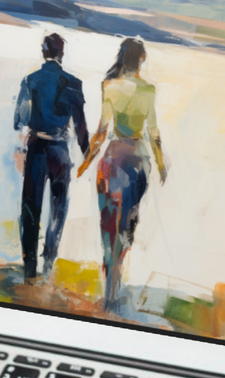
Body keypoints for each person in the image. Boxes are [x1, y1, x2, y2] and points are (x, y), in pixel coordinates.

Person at [76, 38, 167, 311]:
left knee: (108, 225)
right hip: (138, 160)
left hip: (112, 159)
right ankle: (115, 283)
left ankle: (109, 287)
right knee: (128, 224)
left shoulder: (109, 86)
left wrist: (85, 163)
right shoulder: (149, 89)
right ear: (141, 59)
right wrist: (161, 164)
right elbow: (153, 132)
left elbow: (102, 131)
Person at [14, 33, 89, 283]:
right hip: (60, 150)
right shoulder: (73, 83)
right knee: (58, 210)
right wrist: (87, 154)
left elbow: (20, 120)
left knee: (30, 208)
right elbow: (80, 126)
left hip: (36, 148)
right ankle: (48, 263)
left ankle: (28, 267)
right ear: (61, 53)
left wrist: (20, 147)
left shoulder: (31, 80)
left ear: (43, 51)